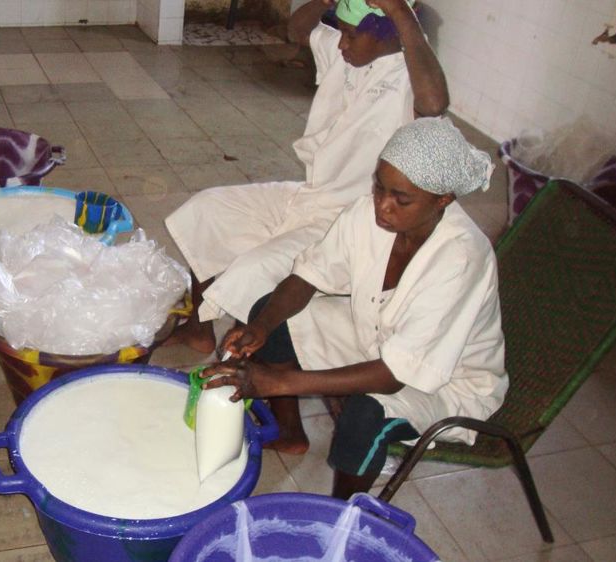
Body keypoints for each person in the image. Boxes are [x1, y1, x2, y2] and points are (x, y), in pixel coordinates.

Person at [164, 0, 448, 452]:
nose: (343, 42)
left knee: (257, 276)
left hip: (354, 215)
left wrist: (398, 10)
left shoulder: (407, 77)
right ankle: (200, 328)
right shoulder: (347, 48)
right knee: (207, 210)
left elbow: (435, 103)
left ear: (388, 34)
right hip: (309, 193)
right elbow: (299, 28)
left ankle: (289, 428)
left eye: (354, 35)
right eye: (343, 32)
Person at [201, 117, 509, 500]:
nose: (382, 205)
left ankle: (341, 516)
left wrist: (278, 381)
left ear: (442, 199)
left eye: (401, 198)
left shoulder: (459, 258)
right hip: (377, 337)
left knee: (364, 415)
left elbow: (395, 375)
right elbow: (307, 278)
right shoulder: (366, 215)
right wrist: (260, 326)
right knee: (272, 311)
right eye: (380, 187)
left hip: (444, 381)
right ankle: (290, 431)